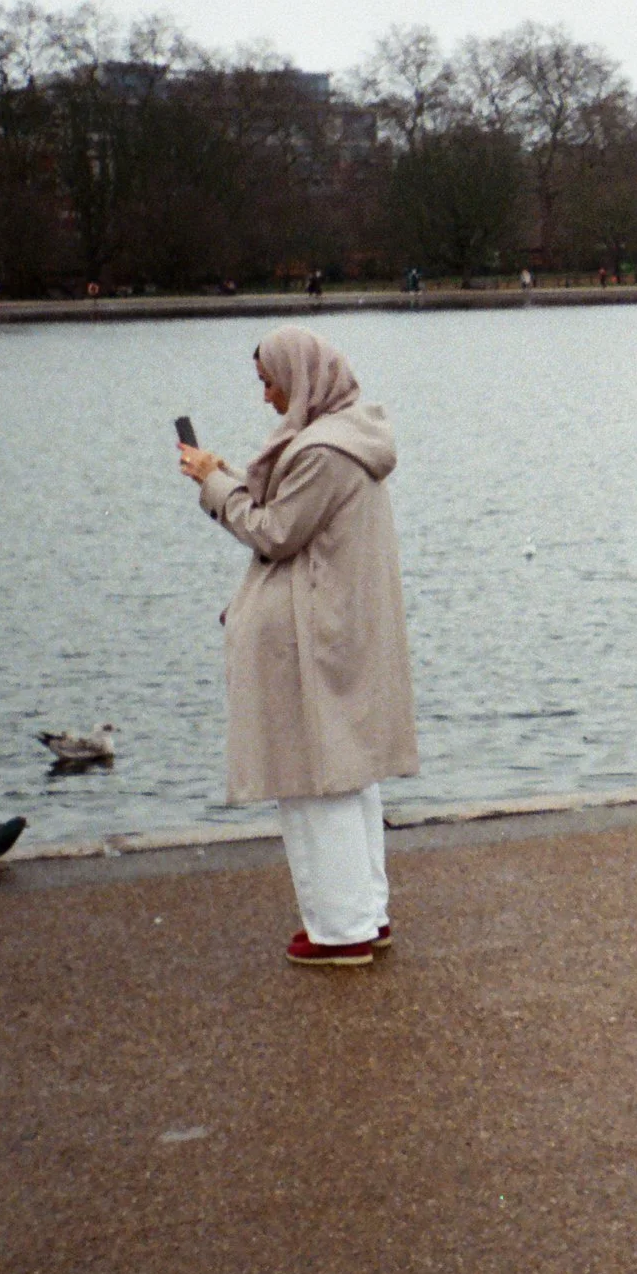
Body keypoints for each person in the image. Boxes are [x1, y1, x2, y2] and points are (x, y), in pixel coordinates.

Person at [177, 327, 420, 967]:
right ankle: (367, 914)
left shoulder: (323, 451)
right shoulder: (347, 436)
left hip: (315, 638)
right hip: (338, 628)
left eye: (270, 381)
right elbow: (291, 511)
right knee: (350, 777)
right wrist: (225, 474)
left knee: (317, 782)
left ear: (301, 375)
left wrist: (212, 487)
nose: (266, 397)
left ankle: (342, 932)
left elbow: (275, 530)